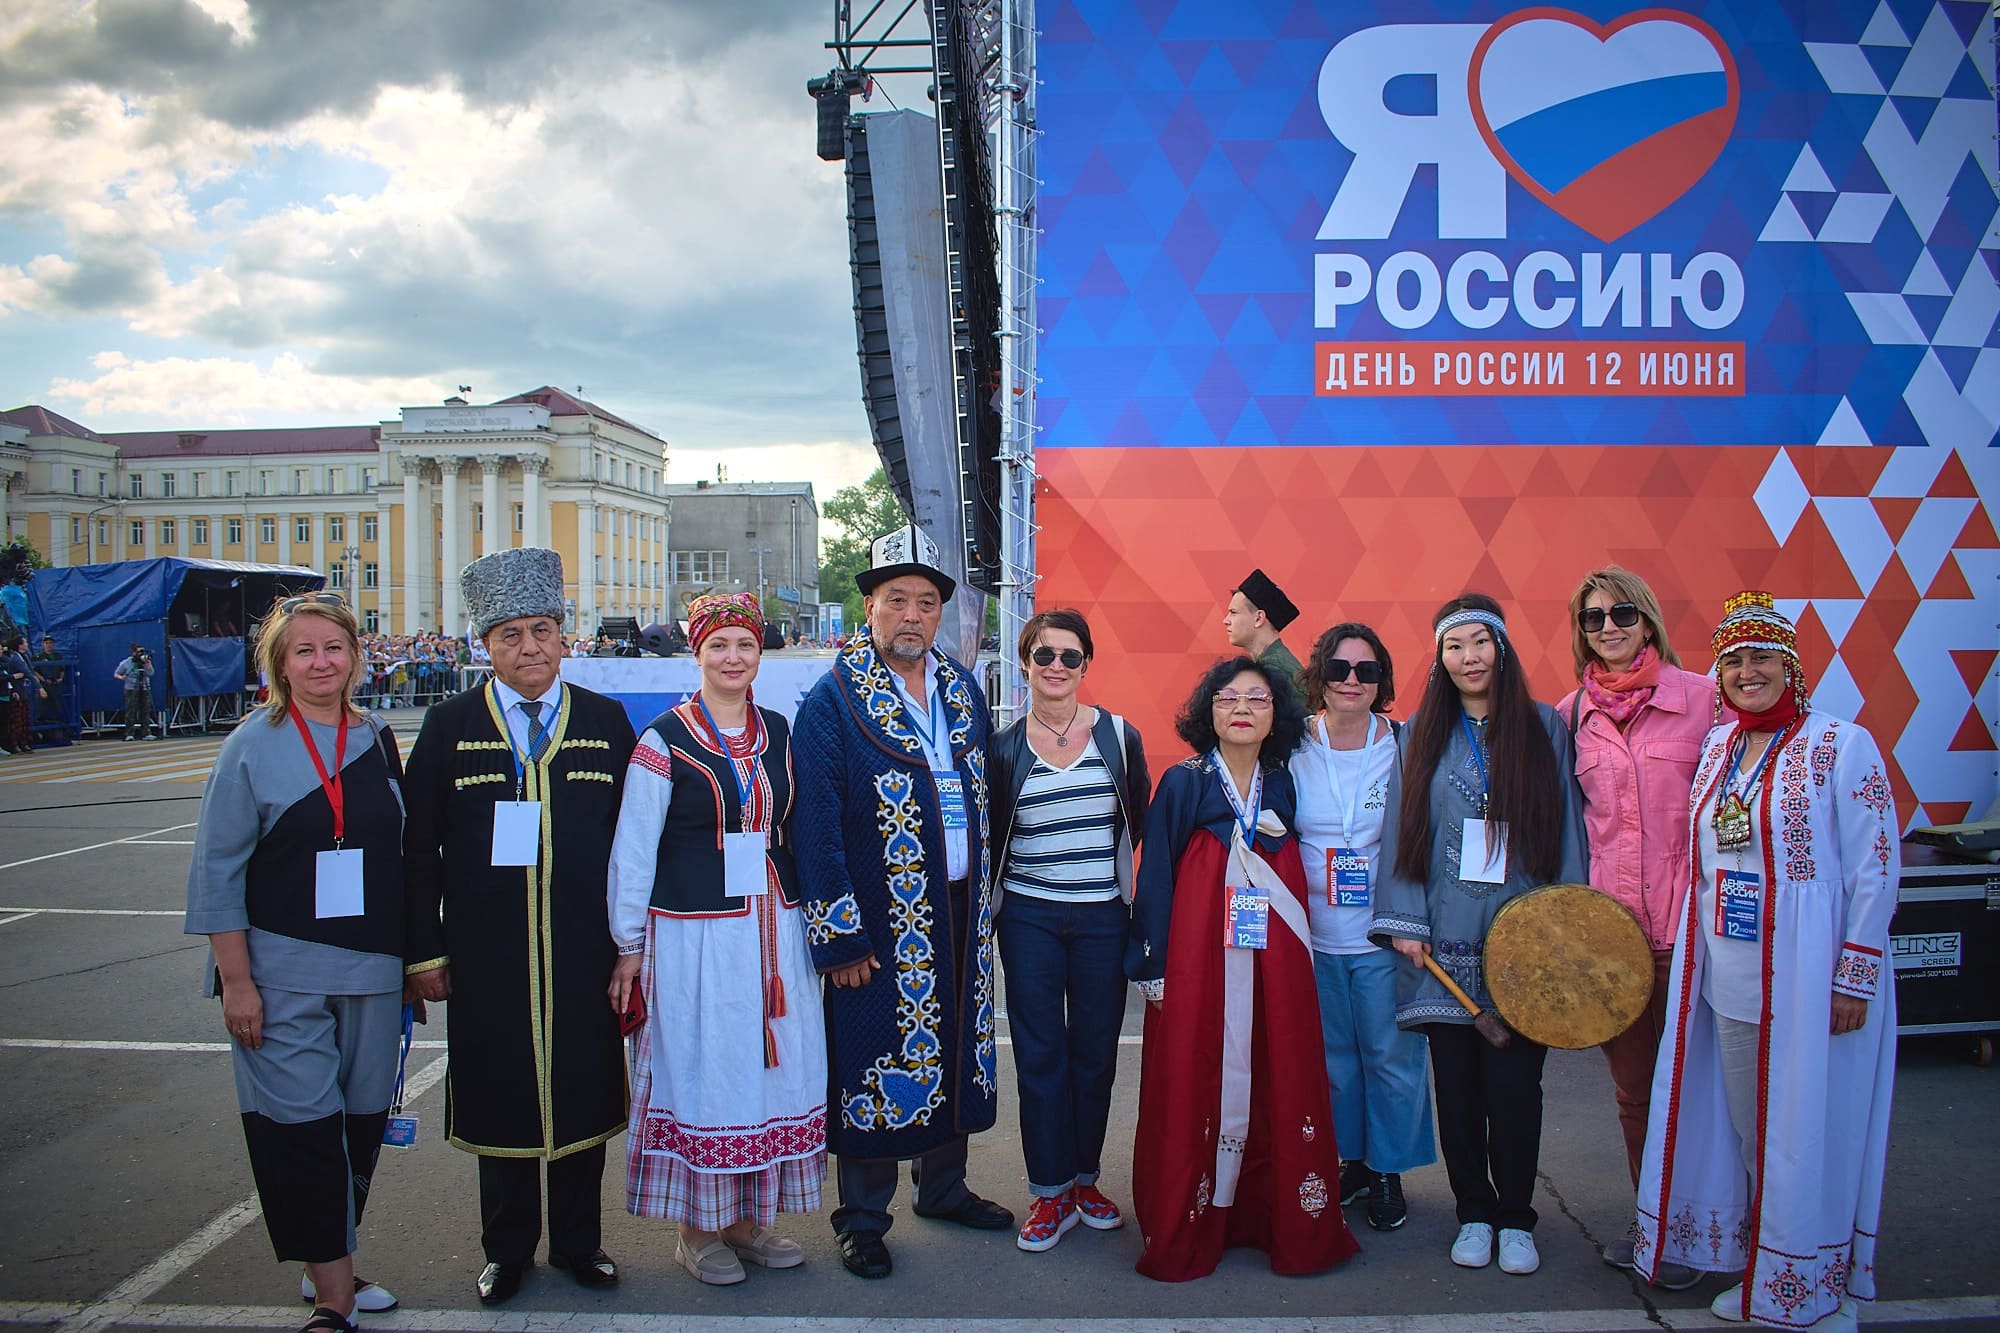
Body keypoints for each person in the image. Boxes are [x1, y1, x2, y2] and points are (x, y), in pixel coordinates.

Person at [1633, 593, 1898, 1332]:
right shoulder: (1719, 746)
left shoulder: (1841, 744)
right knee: (1758, 1134)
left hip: (1812, 978)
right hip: (1732, 980)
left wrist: (1855, 975)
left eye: (1762, 658)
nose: (1748, 672)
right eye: (1733, 662)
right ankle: (1774, 1266)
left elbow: (1877, 865)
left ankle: (1818, 1286)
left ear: (1792, 666)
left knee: (1813, 1129)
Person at [402, 548, 638, 1305]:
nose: (529, 647)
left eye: (542, 631)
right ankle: (506, 1251)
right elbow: (417, 850)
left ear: (564, 637)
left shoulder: (603, 722)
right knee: (501, 1092)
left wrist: (631, 947)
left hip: (583, 951)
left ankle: (579, 1243)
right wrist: (424, 952)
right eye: (510, 634)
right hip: (487, 956)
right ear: (486, 644)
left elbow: (635, 845)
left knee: (582, 1091)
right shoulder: (449, 726)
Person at [792, 523, 1013, 1280]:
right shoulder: (833, 700)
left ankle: (942, 1188)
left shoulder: (961, 688)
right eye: (896, 600)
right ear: (870, 607)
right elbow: (815, 825)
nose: (911, 615)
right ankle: (862, 1218)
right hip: (881, 919)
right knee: (874, 1055)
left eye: (925, 601)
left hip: (957, 906)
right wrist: (839, 936)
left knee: (952, 1046)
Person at [182, 593, 407, 1333]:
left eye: (333, 648)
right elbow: (217, 869)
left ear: (356, 656)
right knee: (304, 1129)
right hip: (280, 976)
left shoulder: (376, 737)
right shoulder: (252, 744)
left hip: (373, 971)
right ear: (279, 665)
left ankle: (324, 1259)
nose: (320, 662)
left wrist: (413, 962)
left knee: (359, 1127)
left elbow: (402, 855)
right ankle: (335, 1297)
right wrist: (237, 982)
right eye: (303, 651)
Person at [606, 591, 828, 1287]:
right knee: (707, 1068)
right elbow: (634, 848)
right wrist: (628, 944)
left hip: (773, 932)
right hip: (694, 936)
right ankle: (696, 1230)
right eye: (719, 646)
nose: (733, 658)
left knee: (764, 1074)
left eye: (745, 645)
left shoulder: (780, 732)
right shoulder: (662, 740)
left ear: (761, 653)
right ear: (696, 653)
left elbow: (799, 825)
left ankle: (745, 1221)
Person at [1372, 593, 1586, 1278]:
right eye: (1454, 645)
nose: (1469, 657)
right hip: (1442, 944)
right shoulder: (1419, 733)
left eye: (1480, 641)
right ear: (1440, 658)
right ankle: (1473, 1211)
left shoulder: (1543, 726)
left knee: (1516, 1089)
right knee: (1458, 1091)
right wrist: (1407, 924)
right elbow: (1400, 833)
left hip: (1524, 942)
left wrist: (1566, 923)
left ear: (1502, 648)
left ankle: (1516, 1217)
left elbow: (1568, 828)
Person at [1128, 655, 1359, 1282]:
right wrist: (1152, 963)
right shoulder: (1183, 782)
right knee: (1195, 1071)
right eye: (1228, 698)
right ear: (1208, 711)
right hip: (1198, 963)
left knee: (1275, 1071)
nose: (1242, 709)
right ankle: (1193, 1218)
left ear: (1276, 715)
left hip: (1272, 966)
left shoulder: (1283, 783)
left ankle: (1270, 1217)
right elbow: (1157, 873)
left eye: (1257, 699)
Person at [1554, 568, 1713, 1290]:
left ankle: (1722, 1224)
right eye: (1593, 618)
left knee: (1703, 1090)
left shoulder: (1705, 700)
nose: (1609, 627)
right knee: (1636, 1095)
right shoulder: (1571, 716)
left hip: (1693, 936)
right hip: (1613, 944)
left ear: (1647, 619)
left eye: (1622, 613)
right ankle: (1657, 1225)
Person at [989, 608, 1150, 1252]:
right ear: (1024, 663)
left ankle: (1086, 1181)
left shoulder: (1119, 736)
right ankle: (1049, 1192)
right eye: (1044, 655)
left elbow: (1138, 821)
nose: (1056, 667)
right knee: (1039, 1056)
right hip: (1028, 917)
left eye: (1070, 656)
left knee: (1095, 1054)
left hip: (1102, 917)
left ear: (1086, 665)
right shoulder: (1002, 747)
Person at [1288, 623, 1435, 1234]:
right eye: (1339, 668)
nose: (1352, 681)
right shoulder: (1293, 744)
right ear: (1319, 675)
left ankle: (1388, 1170)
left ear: (1382, 682)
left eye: (1367, 671)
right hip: (1310, 936)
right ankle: (1351, 1161)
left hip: (1382, 935)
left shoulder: (1404, 745)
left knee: (1390, 1059)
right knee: (1335, 1061)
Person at [1221, 569, 1304, 684]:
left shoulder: (1274, 671)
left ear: (1259, 618)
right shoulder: (1275, 665)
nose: (1225, 621)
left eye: (1233, 612)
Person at [0, 635, 36, 754]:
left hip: (10, 693)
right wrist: (12, 678)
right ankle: (13, 744)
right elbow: (8, 677)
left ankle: (23, 742)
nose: (1, 651)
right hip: (7, 693)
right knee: (14, 720)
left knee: (20, 719)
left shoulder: (9, 659)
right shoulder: (13, 659)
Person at [115, 642, 156, 741]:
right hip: (131, 688)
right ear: (134, 653)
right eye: (139, 652)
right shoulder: (126, 662)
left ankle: (146, 733)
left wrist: (148, 663)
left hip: (144, 688)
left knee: (145, 710)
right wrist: (122, 677)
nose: (141, 654)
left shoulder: (145, 661)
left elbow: (151, 673)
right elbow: (116, 674)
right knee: (131, 711)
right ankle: (129, 733)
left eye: (143, 651)